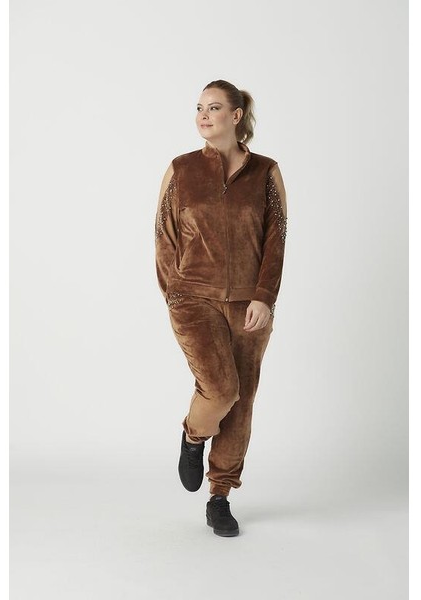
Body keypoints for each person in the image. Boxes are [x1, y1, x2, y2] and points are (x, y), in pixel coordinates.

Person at [154, 79, 287, 537]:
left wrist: (264, 296)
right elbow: (164, 237)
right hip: (194, 298)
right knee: (220, 390)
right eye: (199, 108)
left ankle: (220, 497)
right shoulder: (182, 169)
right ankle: (194, 435)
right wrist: (174, 292)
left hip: (250, 305)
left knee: (241, 401)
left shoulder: (266, 172)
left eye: (213, 107)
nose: (203, 115)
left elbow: (276, 240)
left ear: (236, 115)